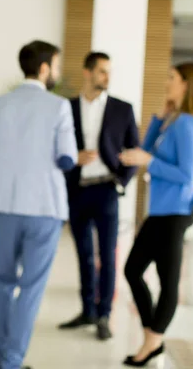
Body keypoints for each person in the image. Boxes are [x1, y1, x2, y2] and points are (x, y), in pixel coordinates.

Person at [0, 40, 77, 369]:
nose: (58, 72)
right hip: (45, 207)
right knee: (31, 288)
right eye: (57, 66)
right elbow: (67, 159)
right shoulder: (58, 107)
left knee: (5, 282)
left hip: (7, 205)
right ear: (45, 67)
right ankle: (11, 360)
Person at [119, 62, 193, 367]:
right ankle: (152, 336)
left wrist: (149, 159)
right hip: (160, 212)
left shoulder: (187, 124)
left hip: (173, 214)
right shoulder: (173, 120)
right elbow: (145, 152)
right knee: (133, 270)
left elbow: (188, 175)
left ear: (187, 84)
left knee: (167, 282)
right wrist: (158, 118)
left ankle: (152, 341)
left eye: (172, 78)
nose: (166, 82)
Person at [58, 52, 139, 340]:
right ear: (87, 72)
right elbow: (56, 149)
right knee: (83, 255)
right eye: (103, 71)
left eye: (109, 72)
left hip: (106, 189)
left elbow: (135, 151)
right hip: (77, 190)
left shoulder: (122, 109)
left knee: (107, 254)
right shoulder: (65, 108)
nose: (107, 77)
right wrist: (72, 158)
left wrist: (121, 183)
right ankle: (87, 311)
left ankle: (104, 314)